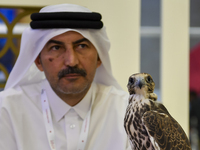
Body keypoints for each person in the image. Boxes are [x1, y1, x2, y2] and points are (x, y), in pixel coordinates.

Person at [0, 3, 131, 150]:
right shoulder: (6, 110)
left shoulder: (127, 112)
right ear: (38, 61)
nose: (71, 61)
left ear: (99, 57)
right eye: (56, 48)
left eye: (81, 46)